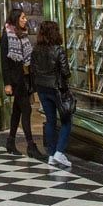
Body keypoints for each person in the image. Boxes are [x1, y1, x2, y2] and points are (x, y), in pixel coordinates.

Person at [0, 6, 44, 160]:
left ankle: (11, 142)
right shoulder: (7, 36)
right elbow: (4, 62)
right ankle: (31, 146)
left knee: (17, 111)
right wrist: (7, 83)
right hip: (16, 80)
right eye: (23, 18)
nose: (26, 20)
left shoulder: (23, 35)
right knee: (26, 110)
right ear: (16, 19)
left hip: (25, 78)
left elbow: (28, 58)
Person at [31, 19, 73, 169]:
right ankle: (59, 152)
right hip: (57, 89)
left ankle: (51, 153)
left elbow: (33, 69)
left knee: (50, 120)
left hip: (42, 88)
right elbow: (65, 72)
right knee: (66, 120)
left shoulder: (36, 50)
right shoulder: (58, 50)